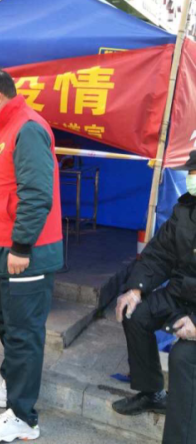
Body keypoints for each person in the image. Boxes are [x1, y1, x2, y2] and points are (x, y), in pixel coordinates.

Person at [0, 68, 63, 443]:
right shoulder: (5, 130)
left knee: (23, 334)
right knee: (7, 325)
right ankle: (12, 384)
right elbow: (4, 191)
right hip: (3, 250)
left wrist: (21, 246)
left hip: (26, 254)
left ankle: (23, 417)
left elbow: (36, 194)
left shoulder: (28, 129)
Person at [113, 150, 196, 444]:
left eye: (195, 172)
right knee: (135, 314)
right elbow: (160, 254)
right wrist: (136, 289)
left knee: (183, 356)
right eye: (191, 172)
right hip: (180, 293)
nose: (191, 178)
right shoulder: (186, 210)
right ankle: (152, 392)